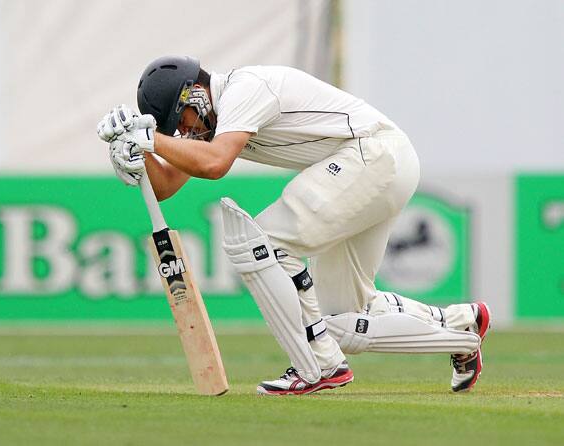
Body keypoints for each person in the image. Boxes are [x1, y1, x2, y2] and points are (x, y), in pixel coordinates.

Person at [97, 55, 491, 396]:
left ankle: (317, 366)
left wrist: (150, 139)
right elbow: (166, 184)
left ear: (194, 95)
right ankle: (461, 326)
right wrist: (131, 152)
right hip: (383, 163)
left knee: (263, 241)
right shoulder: (217, 120)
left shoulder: (245, 89)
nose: (183, 132)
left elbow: (215, 164)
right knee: (346, 317)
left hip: (371, 155)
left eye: (179, 121)